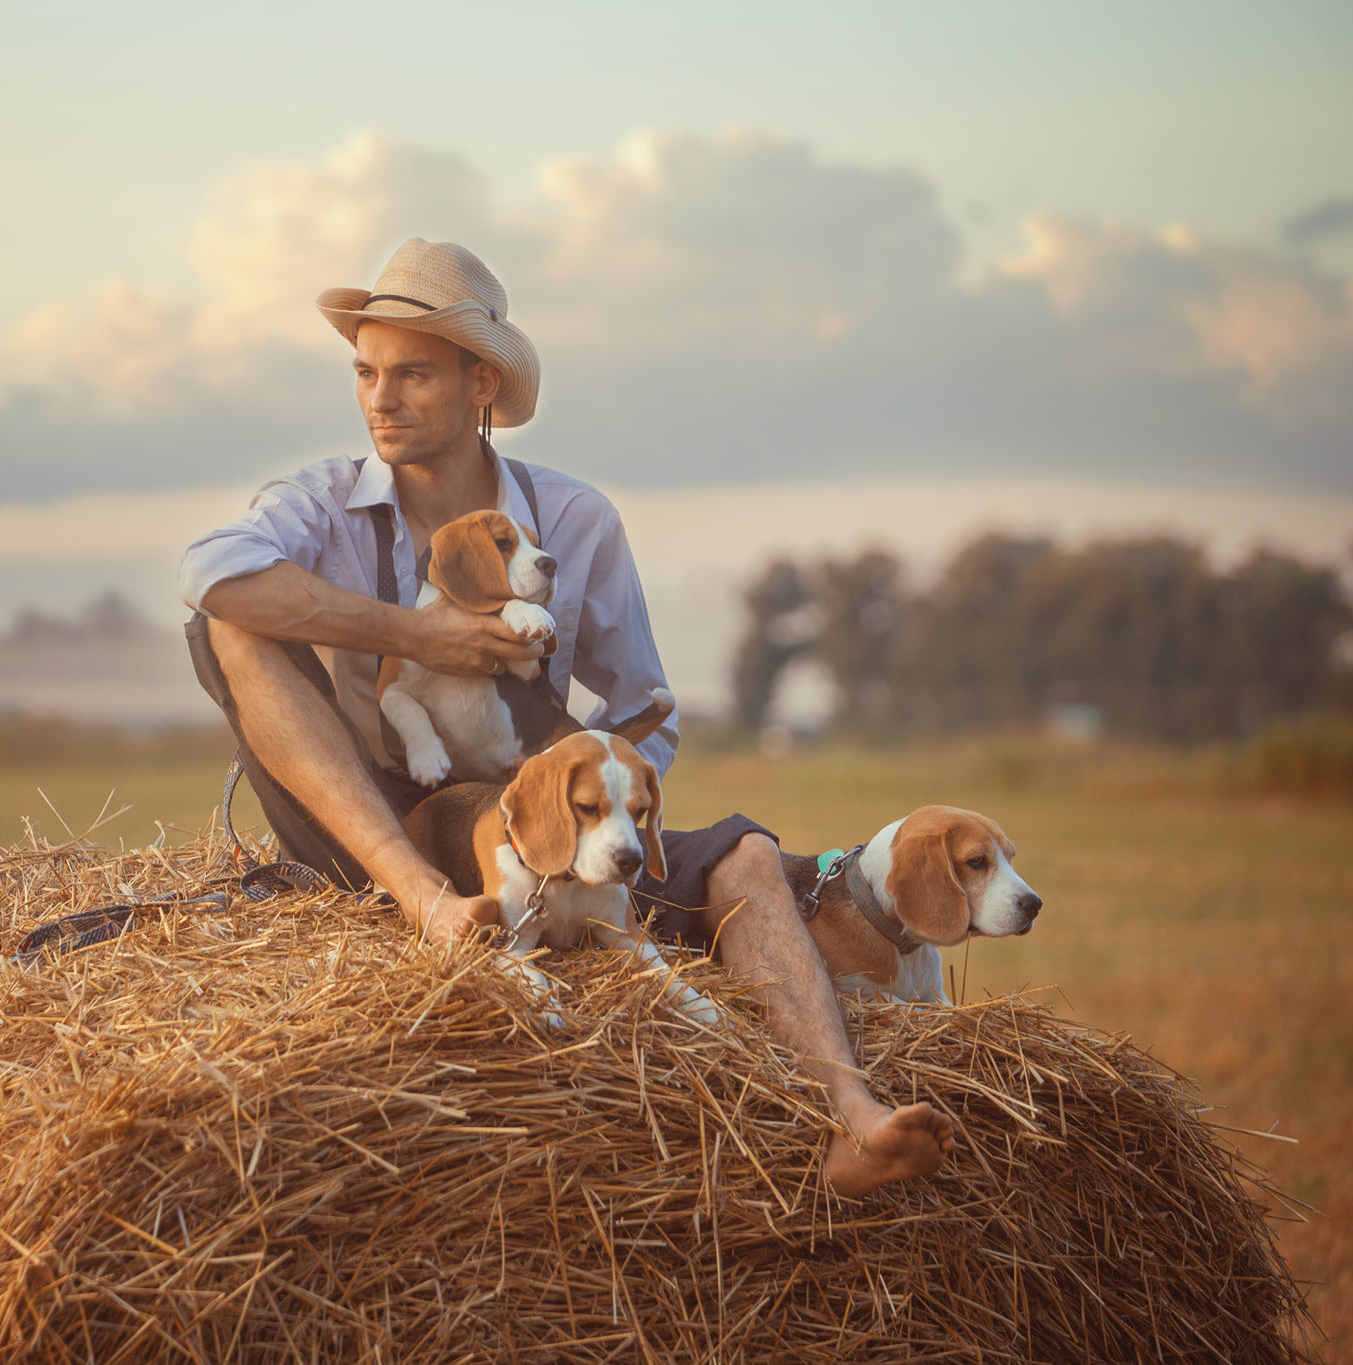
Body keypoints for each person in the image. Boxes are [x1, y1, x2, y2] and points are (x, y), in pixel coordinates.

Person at [178, 237, 952, 1197]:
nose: (380, 397)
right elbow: (207, 572)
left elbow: (642, 709)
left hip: (545, 818)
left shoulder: (576, 521)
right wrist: (422, 642)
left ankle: (856, 1116)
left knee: (752, 857)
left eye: (413, 373)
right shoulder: (324, 503)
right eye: (367, 372)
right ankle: (429, 908)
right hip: (369, 827)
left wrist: (581, 808)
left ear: (482, 384)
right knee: (233, 629)